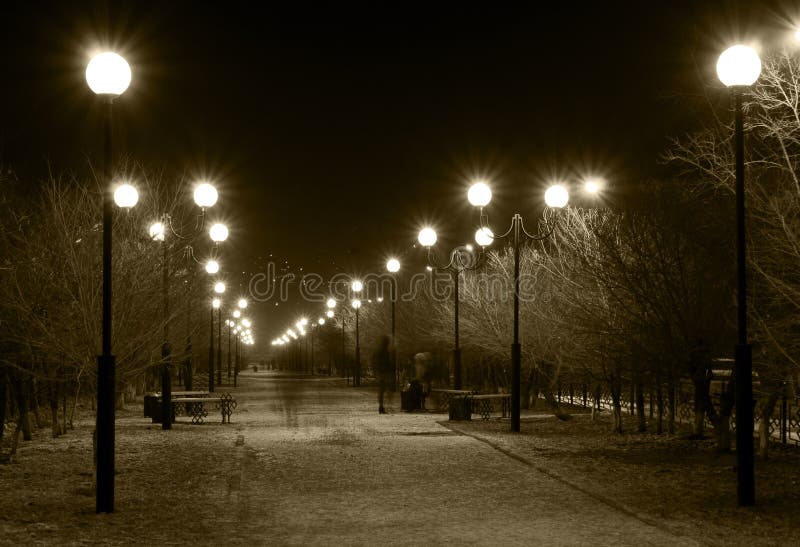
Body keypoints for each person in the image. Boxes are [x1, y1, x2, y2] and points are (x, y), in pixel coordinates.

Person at [372, 335, 393, 414]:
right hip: (383, 372)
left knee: (381, 390)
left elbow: (374, 361)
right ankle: (383, 406)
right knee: (384, 389)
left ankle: (382, 406)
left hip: (380, 372)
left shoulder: (378, 350)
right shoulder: (384, 351)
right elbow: (387, 362)